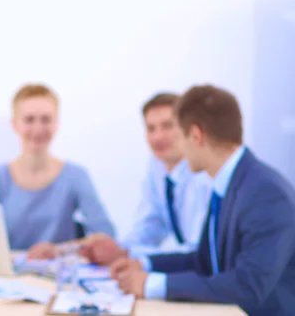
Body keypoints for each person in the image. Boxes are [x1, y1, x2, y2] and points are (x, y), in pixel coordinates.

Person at [111, 85, 295, 316]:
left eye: (177, 135)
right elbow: (204, 261)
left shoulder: (266, 194)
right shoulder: (230, 184)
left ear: (196, 136)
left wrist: (152, 285)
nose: (177, 147)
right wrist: (146, 265)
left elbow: (248, 286)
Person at [0, 83, 115, 260]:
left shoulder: (76, 176)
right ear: (15, 124)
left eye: (46, 119)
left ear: (57, 123)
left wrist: (60, 250)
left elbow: (106, 236)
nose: (38, 128)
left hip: (58, 277)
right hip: (7, 278)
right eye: (29, 120)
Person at [80, 93, 211, 265]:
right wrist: (120, 249)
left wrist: (134, 257)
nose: (158, 137)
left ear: (189, 129)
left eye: (167, 126)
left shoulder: (203, 176)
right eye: (151, 128)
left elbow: (197, 251)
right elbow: (151, 224)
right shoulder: (157, 165)